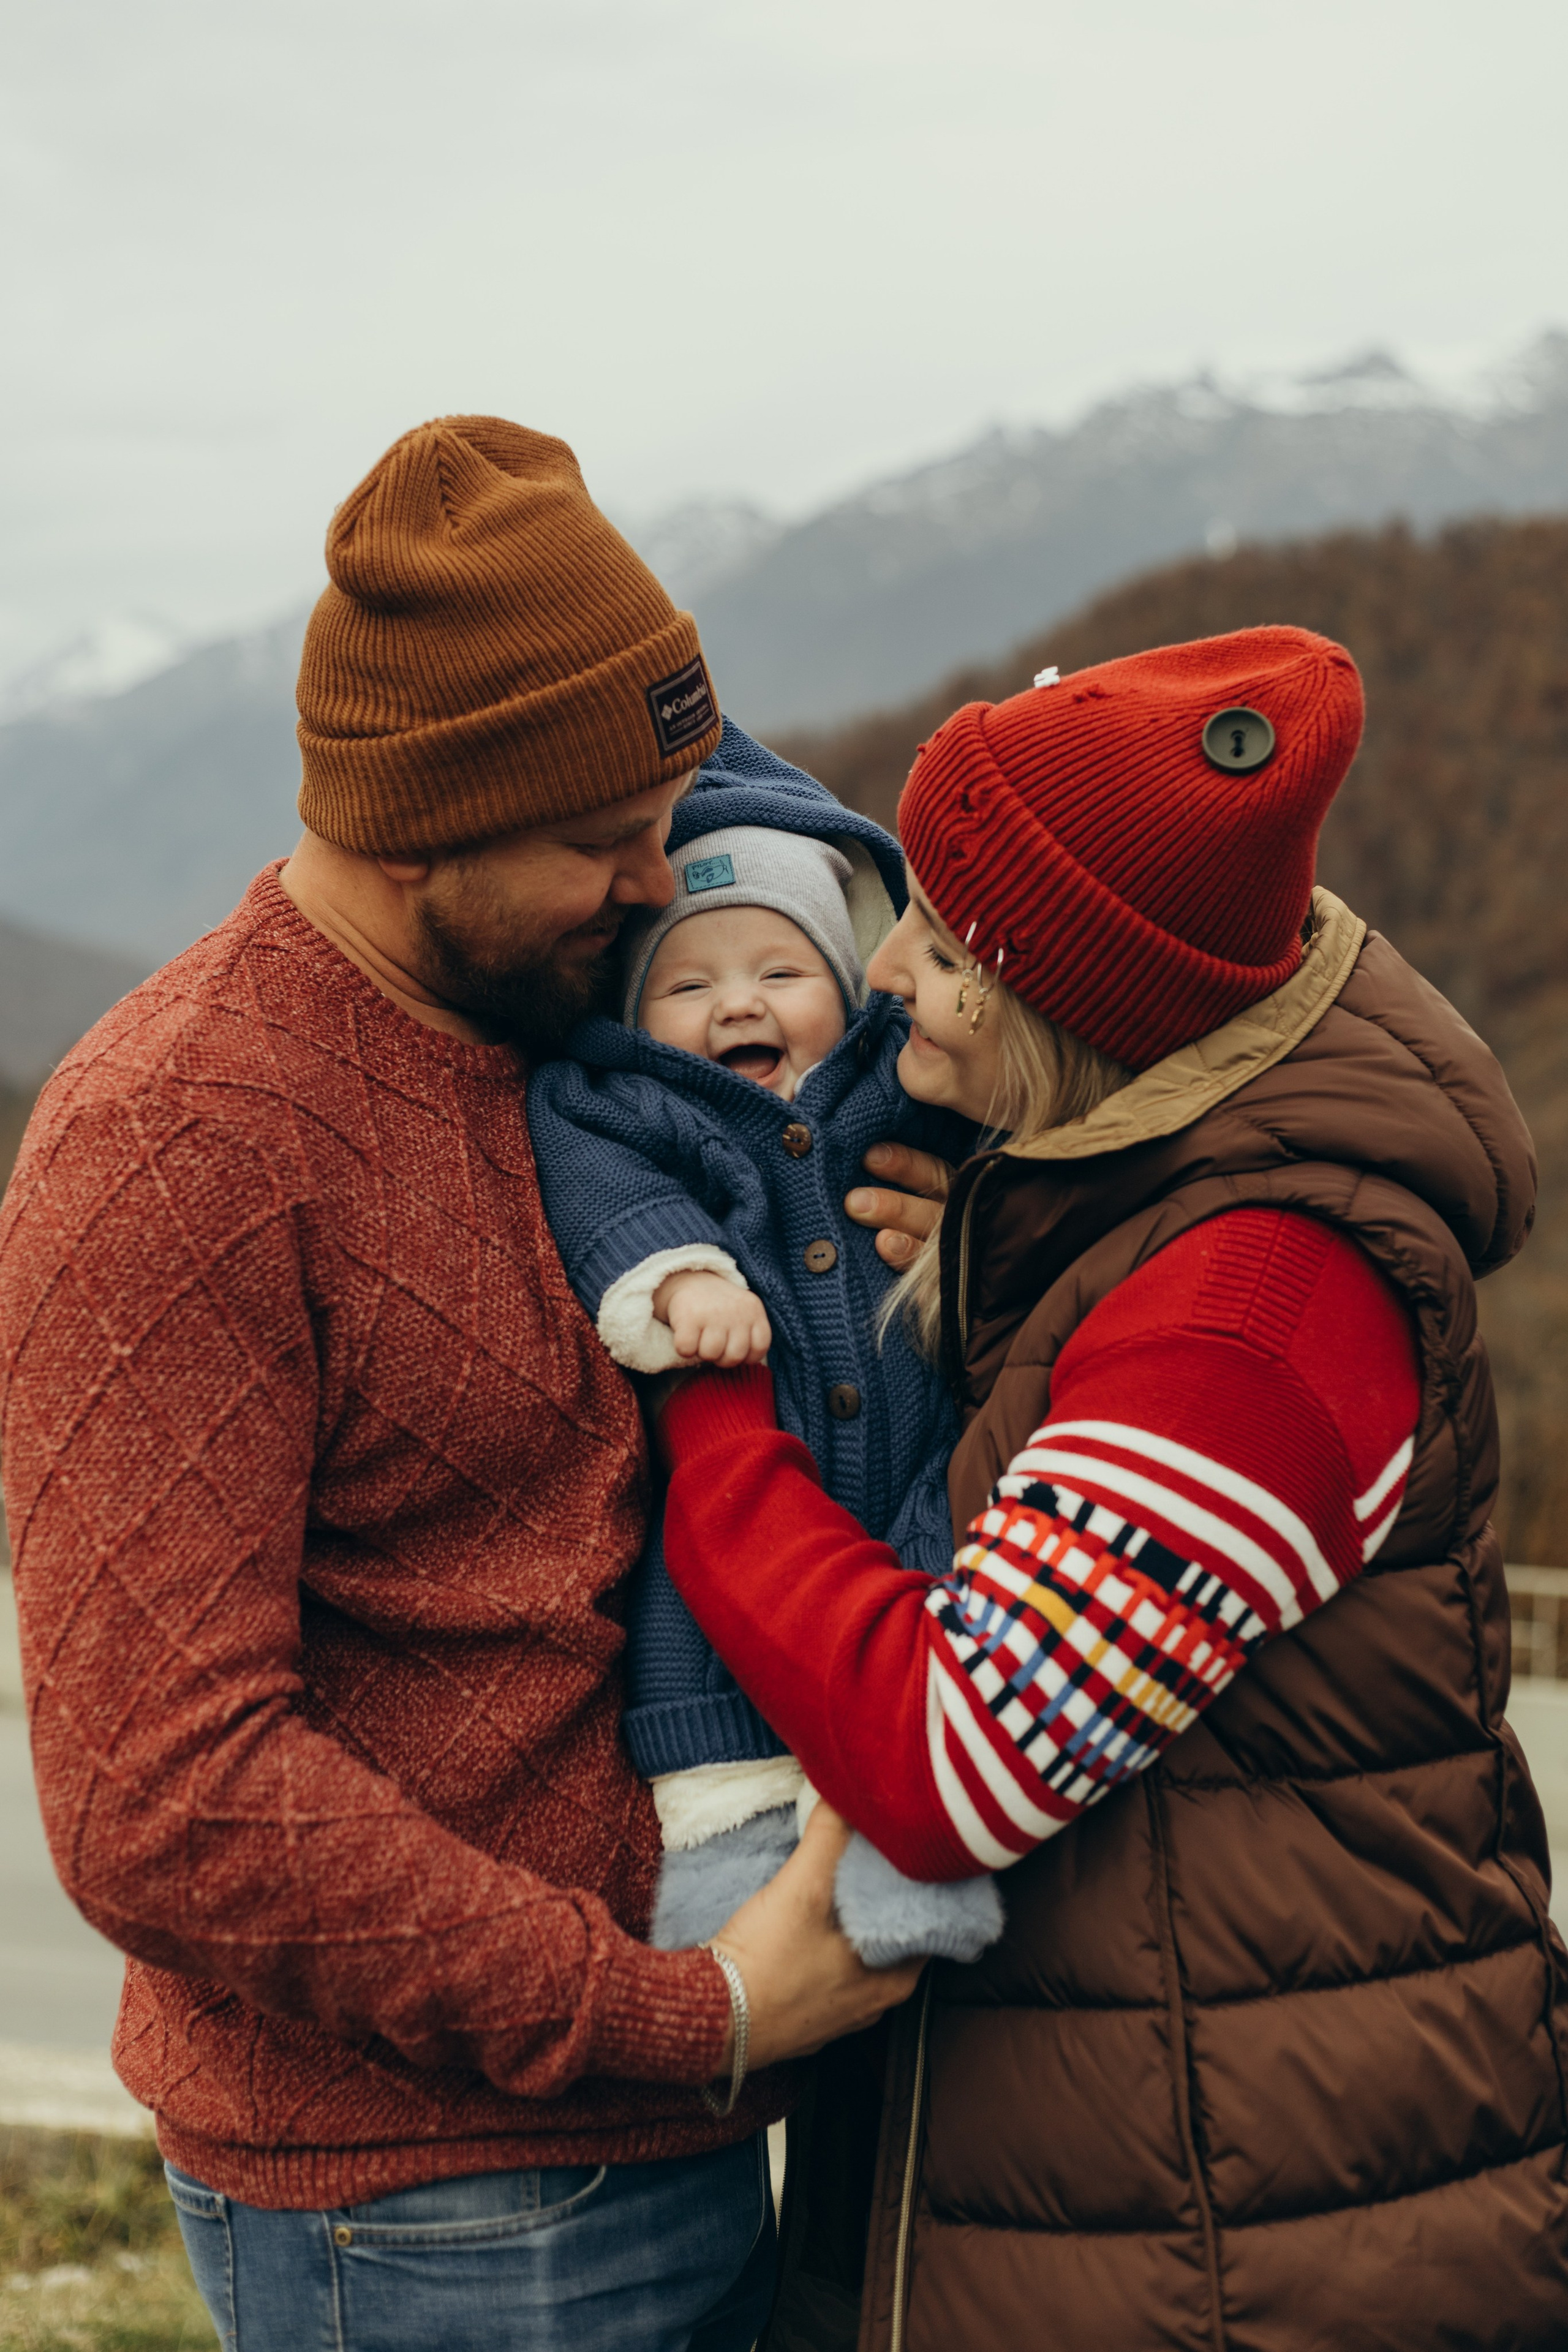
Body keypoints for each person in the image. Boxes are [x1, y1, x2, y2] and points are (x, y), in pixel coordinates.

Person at [0, 414, 918, 2352]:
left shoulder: (551, 1008)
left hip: (670, 2127)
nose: (652, 882)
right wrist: (693, 2014)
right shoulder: (177, 1140)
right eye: (603, 843)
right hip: (435, 2212)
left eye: (661, 813)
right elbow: (167, 1801)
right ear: (419, 823)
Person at [654, 627, 1568, 2350]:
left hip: (1241, 2244)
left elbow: (950, 1758)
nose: (890, 977)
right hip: (1124, 2186)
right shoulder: (1135, 1194)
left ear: (1061, 998)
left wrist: (714, 1413)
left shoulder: (1256, 1319)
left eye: (938, 940)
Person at [526, 729, 1000, 1966]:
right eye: (686, 985)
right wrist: (677, 1275)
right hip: (732, 1557)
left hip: (903, 1483)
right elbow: (595, 1181)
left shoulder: (901, 1086)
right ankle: (725, 1898)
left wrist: (979, 1230)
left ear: (849, 989)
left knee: (930, 1620)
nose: (737, 1001)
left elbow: (1007, 1160)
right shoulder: (631, 1102)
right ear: (636, 1016)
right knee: (715, 1720)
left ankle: (915, 1868)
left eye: (779, 969)